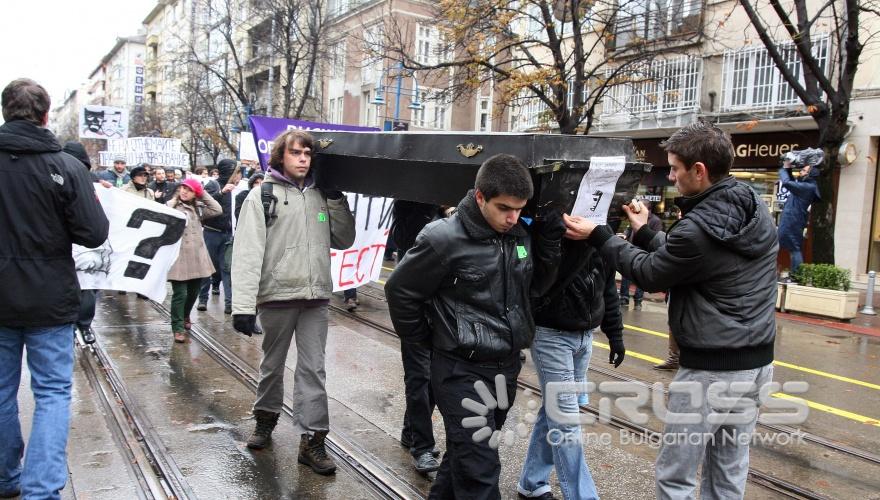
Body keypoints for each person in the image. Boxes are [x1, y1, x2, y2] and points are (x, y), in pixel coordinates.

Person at [562, 119, 778, 499]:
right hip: (757, 365)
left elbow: (652, 274)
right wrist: (645, 233)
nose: (673, 177)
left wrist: (601, 236)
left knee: (675, 476)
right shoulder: (751, 207)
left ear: (699, 171)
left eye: (676, 169)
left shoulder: (697, 228)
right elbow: (695, 258)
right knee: (728, 472)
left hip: (711, 371)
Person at [385, 154, 562, 498]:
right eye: (504, 208)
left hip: (505, 367)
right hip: (460, 371)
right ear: (480, 196)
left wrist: (550, 244)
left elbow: (535, 290)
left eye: (519, 209)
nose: (513, 218)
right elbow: (400, 291)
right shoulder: (443, 238)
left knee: (462, 461)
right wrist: (426, 340)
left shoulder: (518, 235)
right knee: (480, 472)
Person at [0, 78, 109, 500]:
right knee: (52, 393)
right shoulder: (66, 167)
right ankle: (40, 490)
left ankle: (6, 478)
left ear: (6, 112)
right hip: (50, 297)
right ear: (46, 116)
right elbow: (95, 233)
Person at [231, 129, 355, 476]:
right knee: (272, 366)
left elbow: (345, 239)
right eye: (296, 153)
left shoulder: (320, 195)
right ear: (280, 157)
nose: (303, 159)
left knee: (313, 370)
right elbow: (247, 253)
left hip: (314, 298)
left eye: (307, 154)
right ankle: (265, 420)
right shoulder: (262, 195)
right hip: (277, 297)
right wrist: (242, 306)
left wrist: (335, 199)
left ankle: (313, 440)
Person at [517, 226, 626, 500]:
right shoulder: (548, 231)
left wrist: (615, 334)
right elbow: (541, 280)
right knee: (565, 419)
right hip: (551, 334)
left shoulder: (601, 232)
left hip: (584, 335)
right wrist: (555, 236)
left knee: (557, 410)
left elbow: (607, 289)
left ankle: (532, 482)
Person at [387, 200, 445, 472]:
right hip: (416, 308)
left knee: (434, 378)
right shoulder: (409, 201)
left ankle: (411, 430)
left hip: (444, 308)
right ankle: (422, 446)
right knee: (419, 377)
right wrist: (429, 208)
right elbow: (403, 238)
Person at [62, 141, 112, 345]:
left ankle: (84, 324)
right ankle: (72, 326)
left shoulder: (93, 181)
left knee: (89, 288)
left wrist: (108, 192)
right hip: (65, 245)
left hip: (87, 245)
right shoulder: (54, 176)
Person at [166, 179, 222, 343]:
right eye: (183, 187)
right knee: (180, 294)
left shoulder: (198, 208)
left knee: (193, 293)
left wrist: (201, 192)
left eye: (189, 190)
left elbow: (217, 209)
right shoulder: (171, 205)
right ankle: (177, 327)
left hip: (197, 256)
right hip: (178, 257)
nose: (184, 191)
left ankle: (185, 316)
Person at [197, 159, 241, 314]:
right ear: (230, 172)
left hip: (228, 234)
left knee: (227, 268)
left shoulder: (238, 188)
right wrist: (222, 193)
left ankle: (229, 303)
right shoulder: (213, 185)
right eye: (237, 172)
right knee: (207, 267)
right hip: (211, 233)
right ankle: (203, 299)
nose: (239, 176)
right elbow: (203, 203)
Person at [777, 148, 822, 278]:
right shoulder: (807, 186)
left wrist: (785, 166)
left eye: (803, 170)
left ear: (809, 174)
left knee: (794, 249)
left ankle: (796, 276)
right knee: (792, 248)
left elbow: (786, 183)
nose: (801, 172)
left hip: (793, 220)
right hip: (794, 219)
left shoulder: (808, 187)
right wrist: (787, 169)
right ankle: (795, 275)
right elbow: (791, 181)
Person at [618, 200, 662, 310]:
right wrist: (625, 235)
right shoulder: (635, 217)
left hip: (644, 251)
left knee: (640, 276)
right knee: (626, 275)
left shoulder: (656, 220)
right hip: (632, 246)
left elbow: (655, 236)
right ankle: (624, 298)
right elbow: (628, 229)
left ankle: (638, 300)